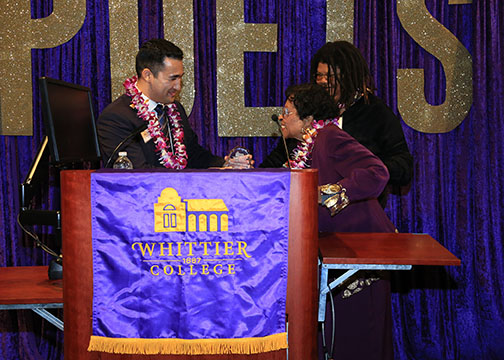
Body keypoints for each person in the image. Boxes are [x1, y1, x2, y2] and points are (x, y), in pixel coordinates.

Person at [279, 83, 395, 360]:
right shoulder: (305, 148)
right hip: (333, 253)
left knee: (355, 332)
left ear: (308, 118)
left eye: (287, 111)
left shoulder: (329, 137)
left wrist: (328, 192)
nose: (281, 117)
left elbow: (377, 171)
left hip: (359, 255)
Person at [261, 41, 413, 207]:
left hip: (357, 214)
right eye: (319, 76)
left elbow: (404, 167)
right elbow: (278, 160)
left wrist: (365, 168)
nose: (323, 82)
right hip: (310, 213)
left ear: (348, 77)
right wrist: (246, 171)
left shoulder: (374, 112)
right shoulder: (312, 111)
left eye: (331, 77)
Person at [97, 39, 225, 169]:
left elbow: (193, 155)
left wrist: (225, 164)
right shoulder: (116, 117)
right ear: (148, 75)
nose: (178, 86)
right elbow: (138, 172)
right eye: (173, 78)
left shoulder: (176, 109)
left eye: (180, 78)